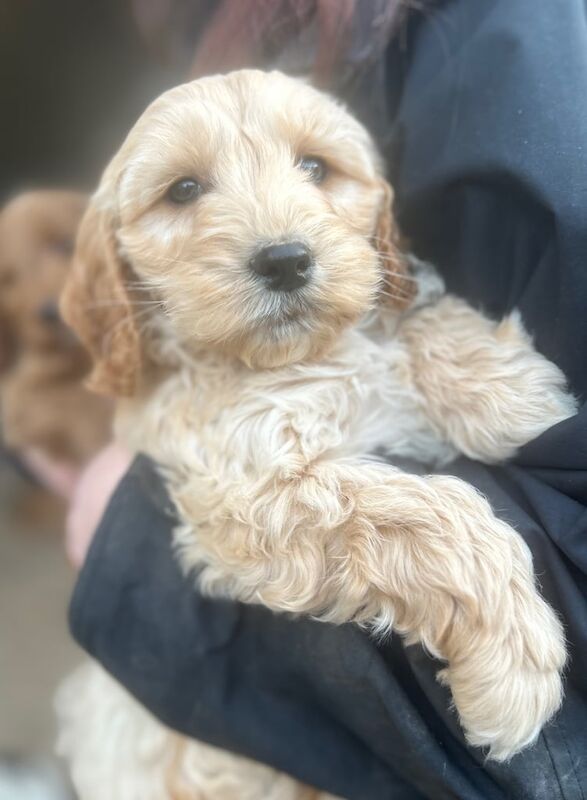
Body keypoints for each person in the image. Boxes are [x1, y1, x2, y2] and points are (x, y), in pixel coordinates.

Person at [65, 1, 587, 797]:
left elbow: (403, 306)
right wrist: (466, 573)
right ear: (114, 270)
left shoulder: (511, 48)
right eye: (183, 189)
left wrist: (439, 351)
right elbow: (265, 510)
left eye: (314, 167)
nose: (276, 238)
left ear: (382, 219)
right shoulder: (199, 399)